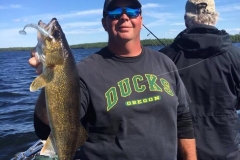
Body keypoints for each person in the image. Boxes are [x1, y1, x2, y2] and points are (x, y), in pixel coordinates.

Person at [29, 0, 197, 159]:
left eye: (132, 11)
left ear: (140, 19)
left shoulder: (165, 62)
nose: (124, 17)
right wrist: (52, 78)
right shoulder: (84, 71)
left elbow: (183, 119)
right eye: (115, 12)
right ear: (104, 23)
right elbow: (45, 128)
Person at [160, 0, 240, 159]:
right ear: (215, 17)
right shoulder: (235, 56)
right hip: (227, 151)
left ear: (185, 19)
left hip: (181, 151)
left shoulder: (164, 57)